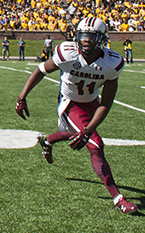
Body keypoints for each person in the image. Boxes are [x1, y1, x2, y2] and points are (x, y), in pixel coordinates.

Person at [15, 17, 138, 214]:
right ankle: (117, 197)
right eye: (82, 36)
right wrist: (22, 97)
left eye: (90, 36)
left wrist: (88, 129)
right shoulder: (67, 53)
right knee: (96, 145)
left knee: (81, 134)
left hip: (92, 103)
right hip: (69, 102)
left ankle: (47, 141)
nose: (85, 41)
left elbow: (106, 102)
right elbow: (41, 70)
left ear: (101, 39)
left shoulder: (112, 63)